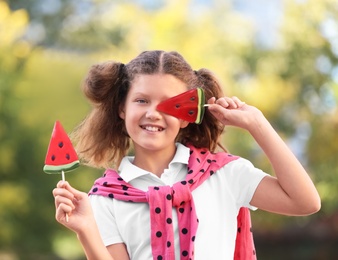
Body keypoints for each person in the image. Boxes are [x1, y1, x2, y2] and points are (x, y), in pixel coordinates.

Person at [52, 50, 320, 260]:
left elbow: (305, 202)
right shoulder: (104, 198)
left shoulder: (224, 175)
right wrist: (85, 229)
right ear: (122, 108)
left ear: (186, 116)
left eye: (170, 104)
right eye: (142, 100)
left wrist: (257, 124)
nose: (153, 113)